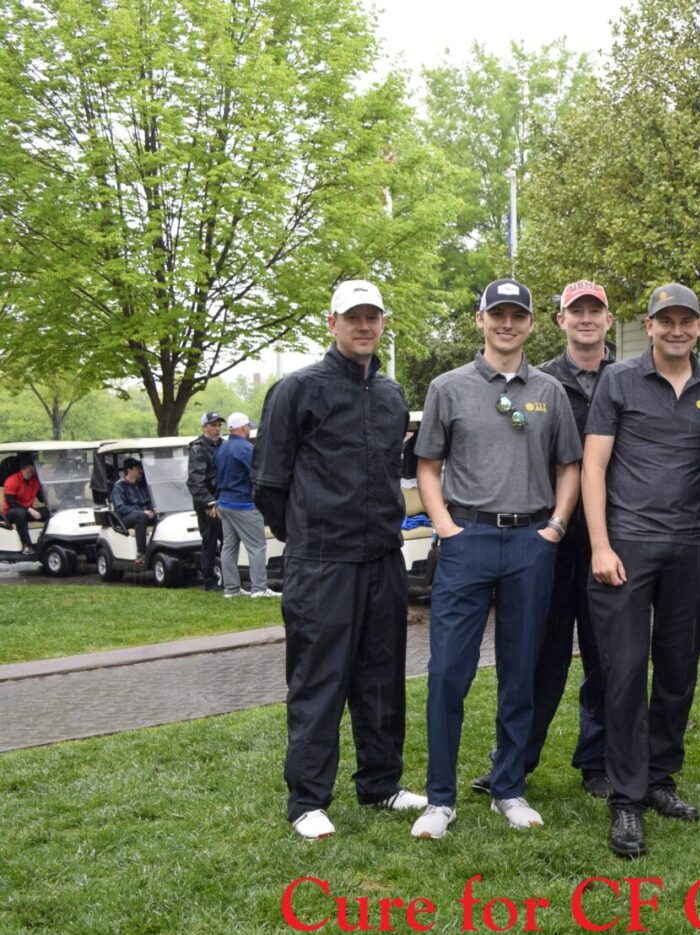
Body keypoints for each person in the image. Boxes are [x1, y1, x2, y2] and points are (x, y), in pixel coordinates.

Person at [252, 279, 427, 841]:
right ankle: (308, 800)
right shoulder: (296, 390)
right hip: (322, 563)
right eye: (353, 316)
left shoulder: (393, 394)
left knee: (382, 678)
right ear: (332, 322)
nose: (364, 326)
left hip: (383, 558)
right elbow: (269, 485)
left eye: (372, 316)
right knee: (318, 680)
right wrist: (306, 534)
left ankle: (381, 784)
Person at [410, 279, 582, 840]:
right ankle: (440, 799)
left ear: (532, 324)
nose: (507, 324)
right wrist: (446, 529)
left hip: (531, 543)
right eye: (497, 314)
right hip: (468, 541)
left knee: (521, 671)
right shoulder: (448, 387)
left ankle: (509, 787)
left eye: (518, 316)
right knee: (448, 673)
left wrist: (556, 526)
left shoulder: (550, 391)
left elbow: (569, 467)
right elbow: (428, 466)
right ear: (481, 320)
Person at [583, 282, 700, 859]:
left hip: (690, 549)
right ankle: (626, 798)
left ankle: (661, 779)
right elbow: (594, 466)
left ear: (698, 326)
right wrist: (599, 544)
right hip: (626, 549)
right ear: (647, 326)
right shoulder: (618, 381)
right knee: (622, 674)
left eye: (686, 321)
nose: (676, 330)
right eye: (665, 320)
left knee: (677, 671)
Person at [473, 280, 616, 802]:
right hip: (547, 542)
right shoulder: (538, 381)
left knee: (605, 660)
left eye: (594, 311)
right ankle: (515, 759)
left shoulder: (627, 380)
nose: (585, 319)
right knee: (537, 659)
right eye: (575, 311)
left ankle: (597, 761)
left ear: (606, 319)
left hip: (609, 542)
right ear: (558, 320)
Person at [215, 412, 274, 598]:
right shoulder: (246, 448)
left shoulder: (221, 449)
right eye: (248, 426)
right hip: (243, 504)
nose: (249, 430)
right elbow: (257, 474)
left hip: (224, 502)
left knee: (229, 547)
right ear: (242, 428)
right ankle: (259, 588)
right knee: (257, 546)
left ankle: (231, 589)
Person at [187, 411, 224, 590]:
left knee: (229, 541)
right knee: (210, 541)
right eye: (213, 425)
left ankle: (230, 580)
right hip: (208, 503)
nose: (217, 428)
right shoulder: (197, 448)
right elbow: (195, 481)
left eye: (219, 425)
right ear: (204, 427)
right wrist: (209, 503)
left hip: (224, 500)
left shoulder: (224, 445)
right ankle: (210, 582)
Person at [109, 459, 154, 561]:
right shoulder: (119, 487)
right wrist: (141, 511)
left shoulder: (142, 485)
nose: (140, 471)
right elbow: (120, 508)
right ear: (129, 470)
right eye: (137, 469)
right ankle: (141, 553)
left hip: (143, 513)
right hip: (125, 518)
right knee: (141, 516)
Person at [2, 458, 50, 555]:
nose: (38, 469)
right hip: (10, 513)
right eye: (35, 466)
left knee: (50, 511)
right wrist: (29, 510)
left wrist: (45, 487)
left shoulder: (35, 480)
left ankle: (47, 542)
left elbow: (41, 499)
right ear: (28, 467)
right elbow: (11, 503)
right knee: (20, 512)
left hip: (27, 512)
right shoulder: (11, 480)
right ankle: (27, 545)